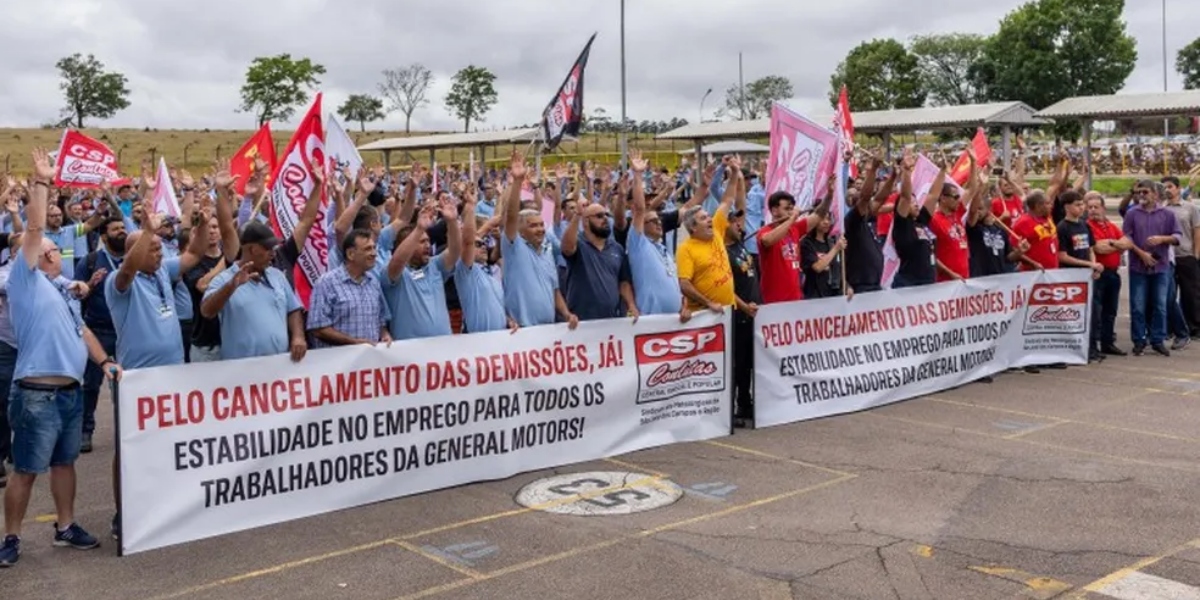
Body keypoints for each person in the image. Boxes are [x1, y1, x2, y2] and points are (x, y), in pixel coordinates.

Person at [1, 149, 123, 567]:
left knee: (64, 464)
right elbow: (34, 227)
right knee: (25, 469)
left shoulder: (61, 290)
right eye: (47, 248)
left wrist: (104, 362)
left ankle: (65, 527)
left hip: (70, 392)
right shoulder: (24, 279)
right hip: (37, 392)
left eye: (53, 249)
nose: (53, 252)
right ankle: (12, 538)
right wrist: (40, 182)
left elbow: (82, 332)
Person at [200, 221, 307, 361]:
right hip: (242, 372)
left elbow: (293, 309)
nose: (273, 254)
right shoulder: (224, 279)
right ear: (252, 249)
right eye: (268, 249)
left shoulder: (278, 276)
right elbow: (207, 311)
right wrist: (231, 286)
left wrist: (298, 336)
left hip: (280, 366)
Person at [501, 152, 575, 329]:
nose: (541, 229)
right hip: (521, 331)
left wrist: (566, 314)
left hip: (547, 332)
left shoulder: (547, 251)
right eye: (534, 226)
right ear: (521, 230)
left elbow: (554, 290)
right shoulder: (513, 246)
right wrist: (517, 181)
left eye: (542, 225)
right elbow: (511, 216)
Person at [383, 197, 461, 340]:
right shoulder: (395, 273)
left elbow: (455, 251)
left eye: (428, 241)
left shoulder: (435, 265)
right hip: (410, 356)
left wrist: (452, 221)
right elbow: (398, 260)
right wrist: (419, 229)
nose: (427, 245)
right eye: (422, 241)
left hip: (442, 350)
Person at [1123, 180, 1183, 357]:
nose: (1141, 195)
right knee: (1138, 306)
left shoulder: (1167, 214)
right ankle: (1139, 340)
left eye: (1145, 192)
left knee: (1160, 305)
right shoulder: (1132, 214)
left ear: (1155, 194)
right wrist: (1141, 253)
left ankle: (1158, 340)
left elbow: (1177, 236)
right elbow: (1126, 237)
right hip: (1138, 266)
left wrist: (1163, 239)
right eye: (1139, 192)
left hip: (1161, 266)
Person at [307, 229, 393, 348]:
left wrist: (384, 334)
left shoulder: (373, 283)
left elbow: (380, 321)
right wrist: (353, 342)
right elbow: (318, 328)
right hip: (337, 363)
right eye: (368, 249)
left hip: (369, 362)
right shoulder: (326, 283)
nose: (374, 253)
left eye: (374, 248)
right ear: (350, 254)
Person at [677, 163, 742, 314]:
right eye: (703, 219)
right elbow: (684, 284)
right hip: (707, 315)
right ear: (693, 227)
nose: (709, 220)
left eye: (708, 216)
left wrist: (734, 173)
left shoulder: (716, 228)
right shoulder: (686, 249)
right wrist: (709, 303)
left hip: (729, 310)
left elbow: (728, 200)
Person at [625, 151, 683, 316]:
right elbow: (640, 209)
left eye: (659, 221)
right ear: (641, 226)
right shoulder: (639, 244)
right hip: (651, 323)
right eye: (653, 221)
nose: (659, 223)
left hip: (673, 320)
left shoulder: (663, 250)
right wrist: (637, 175)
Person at [757, 186, 830, 303]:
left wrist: (830, 194)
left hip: (796, 298)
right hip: (774, 300)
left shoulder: (795, 229)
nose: (791, 212)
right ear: (774, 211)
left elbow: (819, 215)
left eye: (792, 208)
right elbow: (767, 241)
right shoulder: (764, 231)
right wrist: (792, 219)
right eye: (787, 209)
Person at [1054, 190, 1104, 361]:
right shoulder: (1062, 227)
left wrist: (1094, 266)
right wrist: (1089, 264)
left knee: (1094, 313)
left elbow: (1090, 248)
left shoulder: (1084, 225)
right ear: (1067, 207)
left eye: (1082, 204)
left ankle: (1092, 348)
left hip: (1087, 276)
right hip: (1071, 276)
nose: (1082, 207)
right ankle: (1073, 349)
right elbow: (1062, 255)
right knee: (1074, 315)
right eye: (1078, 205)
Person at [1085, 192, 1132, 356]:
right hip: (1098, 274)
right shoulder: (1088, 226)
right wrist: (1117, 245)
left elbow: (1127, 243)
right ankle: (1094, 345)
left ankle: (1107, 342)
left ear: (1103, 208)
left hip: (1113, 273)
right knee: (1096, 311)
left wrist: (1112, 243)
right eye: (1089, 207)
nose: (1092, 210)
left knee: (1110, 311)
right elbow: (1098, 248)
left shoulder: (1111, 225)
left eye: (1096, 207)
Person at [725, 208, 759, 424]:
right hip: (738, 313)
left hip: (753, 311)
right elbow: (725, 288)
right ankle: (731, 407)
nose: (740, 225)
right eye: (735, 222)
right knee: (737, 364)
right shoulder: (723, 253)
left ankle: (745, 404)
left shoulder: (740, 246)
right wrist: (744, 306)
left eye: (740, 221)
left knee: (748, 363)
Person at [1162, 176, 1200, 343]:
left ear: (1178, 188)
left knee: (1191, 294)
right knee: (1169, 296)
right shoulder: (1161, 209)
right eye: (1164, 187)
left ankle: (1194, 327)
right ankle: (1171, 328)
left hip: (1186, 256)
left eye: (1170, 186)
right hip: (1168, 258)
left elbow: (1196, 231)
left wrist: (1196, 253)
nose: (1167, 190)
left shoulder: (1190, 208)